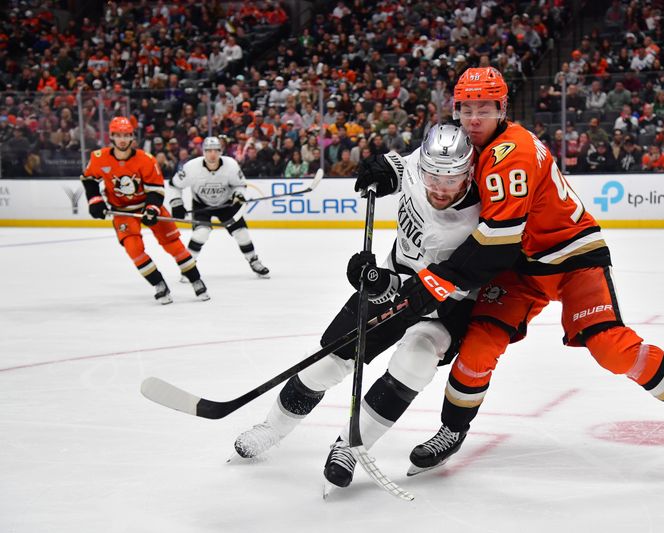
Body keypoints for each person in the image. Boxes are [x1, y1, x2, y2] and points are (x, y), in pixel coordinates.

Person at [359, 67, 664, 476]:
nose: (473, 118)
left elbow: (495, 241)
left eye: (484, 108)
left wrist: (437, 281)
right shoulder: (467, 146)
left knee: (611, 347)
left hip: (570, 256)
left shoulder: (512, 154)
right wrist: (391, 166)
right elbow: (424, 162)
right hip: (520, 265)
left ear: (502, 108)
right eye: (466, 109)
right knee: (478, 347)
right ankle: (452, 430)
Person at [232, 124, 481, 490]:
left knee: (414, 363)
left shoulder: (474, 220)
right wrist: (381, 169)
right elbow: (400, 166)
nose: (440, 188)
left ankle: (350, 446)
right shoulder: (420, 163)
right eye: (432, 177)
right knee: (327, 362)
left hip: (446, 304)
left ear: (469, 173)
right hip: (398, 276)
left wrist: (381, 282)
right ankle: (271, 428)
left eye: (452, 180)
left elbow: (445, 284)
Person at [81, 116, 210, 304]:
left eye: (126, 135)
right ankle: (159, 284)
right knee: (134, 249)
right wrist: (95, 201)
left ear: (132, 136)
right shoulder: (99, 158)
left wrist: (152, 209)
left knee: (173, 245)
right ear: (112, 136)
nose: (122, 140)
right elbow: (89, 179)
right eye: (118, 135)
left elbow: (156, 189)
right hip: (122, 211)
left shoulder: (146, 159)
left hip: (147, 206)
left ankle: (195, 279)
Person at [169, 137, 270, 278]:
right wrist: (176, 203)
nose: (212, 154)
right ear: (203, 152)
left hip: (226, 204)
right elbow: (174, 186)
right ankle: (188, 268)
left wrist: (238, 195)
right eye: (208, 151)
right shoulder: (191, 167)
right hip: (201, 205)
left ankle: (254, 261)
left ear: (221, 151)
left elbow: (239, 185)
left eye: (216, 150)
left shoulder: (231, 165)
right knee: (201, 233)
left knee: (242, 233)